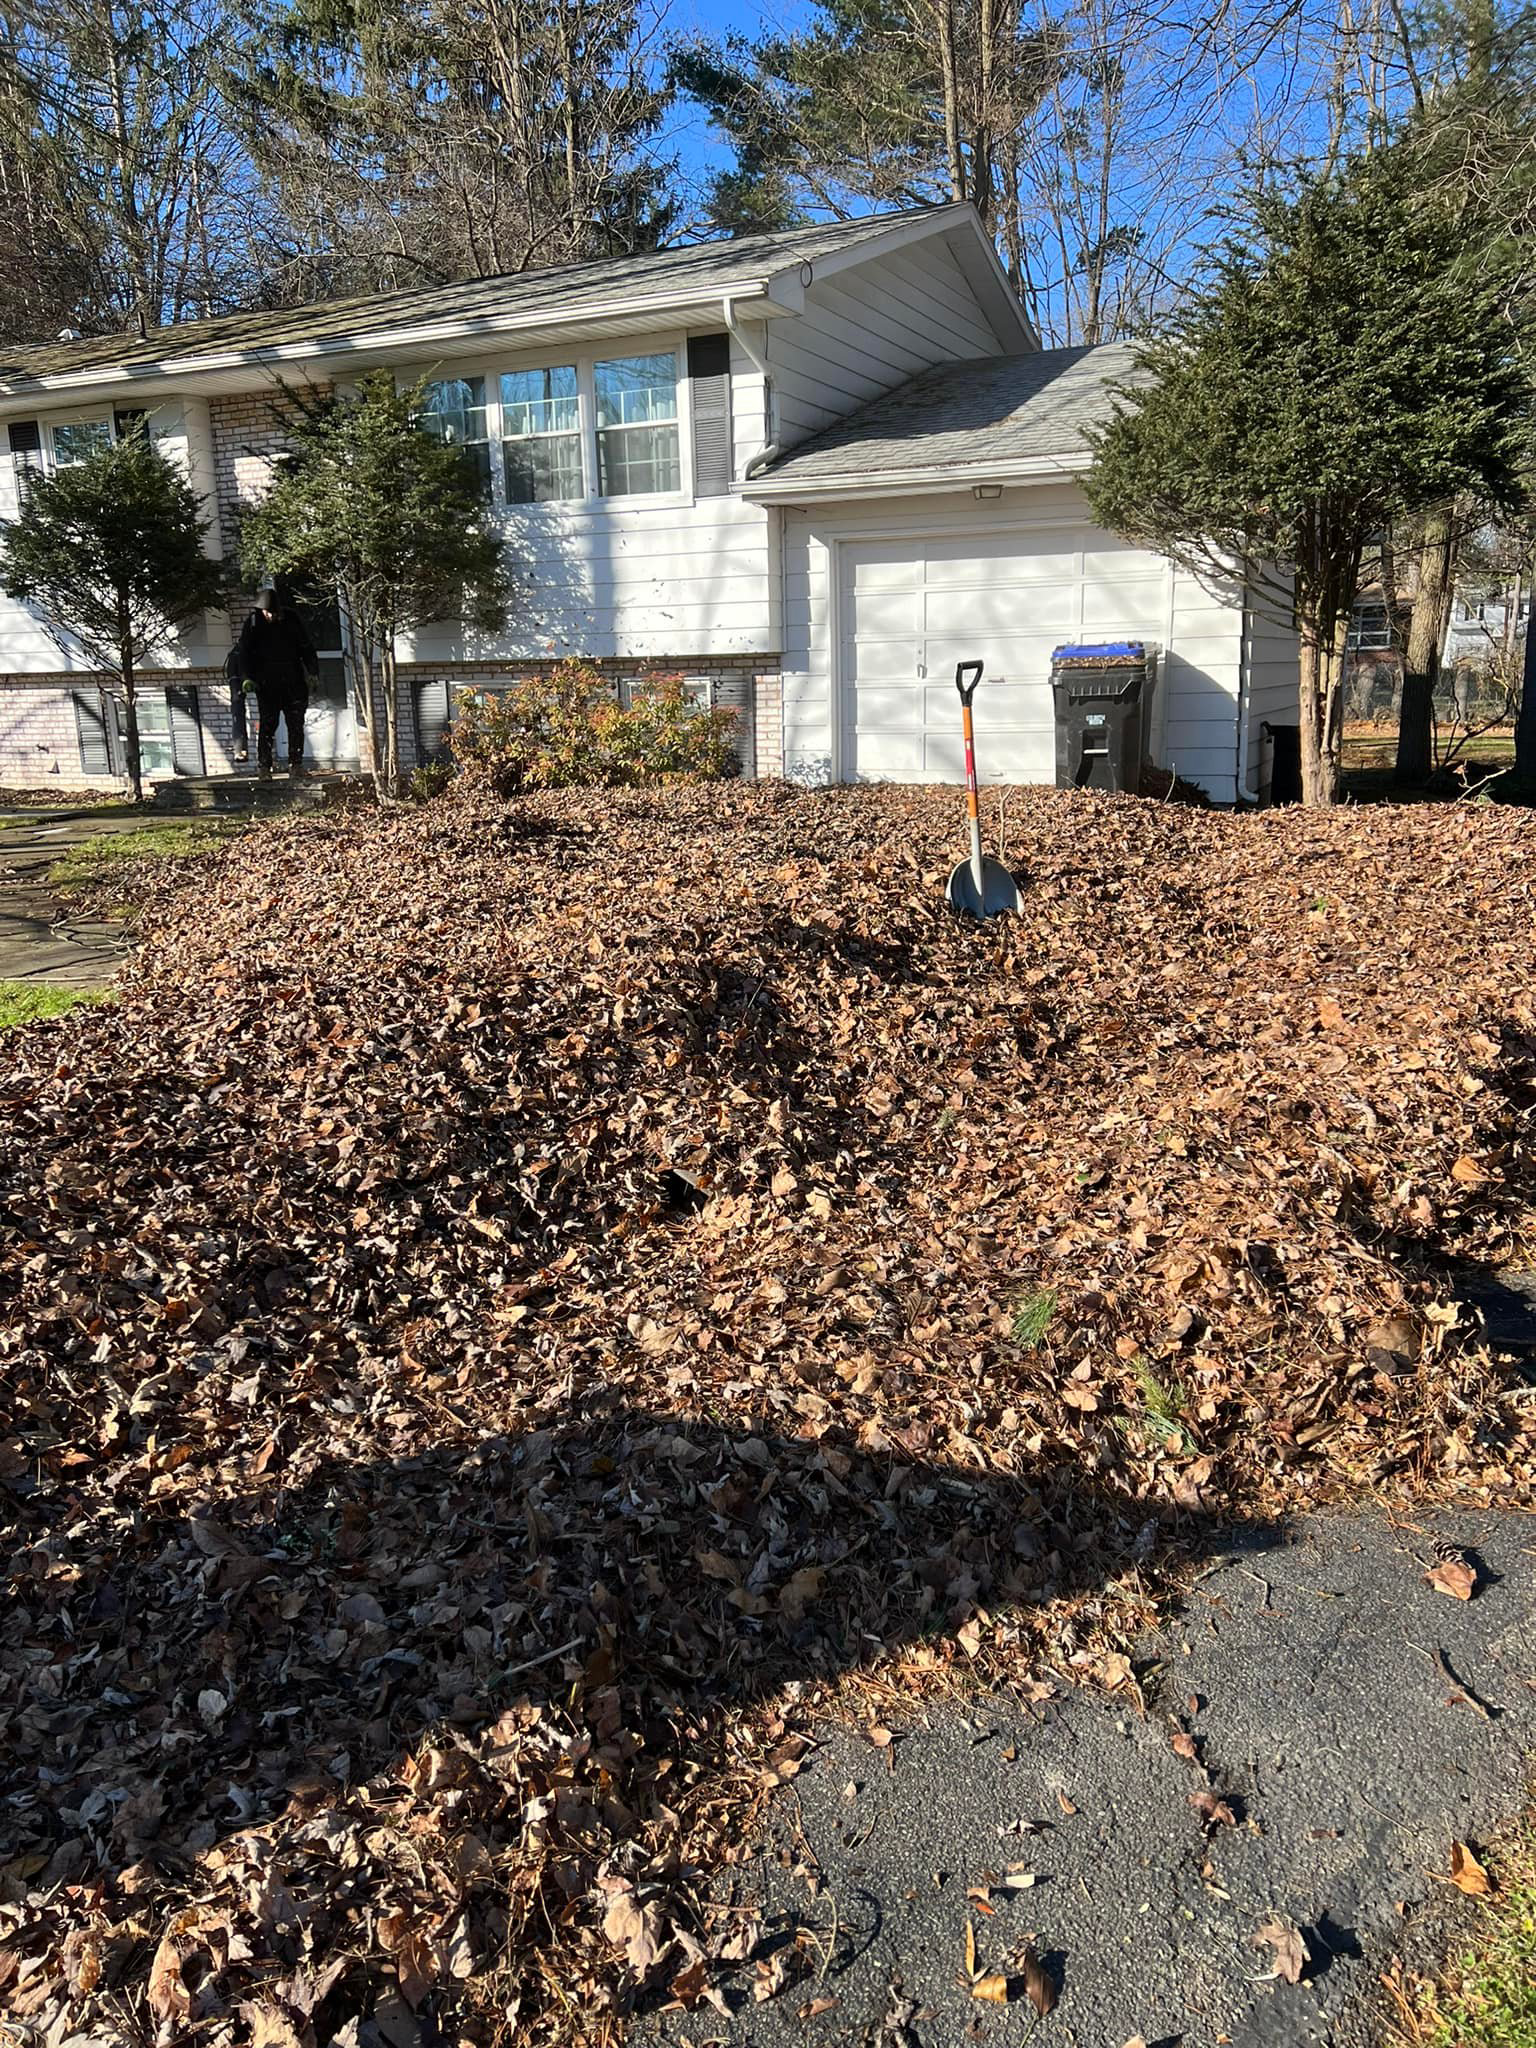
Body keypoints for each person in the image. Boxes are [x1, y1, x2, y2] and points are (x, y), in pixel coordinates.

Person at [236, 583, 318, 781]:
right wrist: (247, 677)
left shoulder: (292, 619)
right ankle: (264, 767)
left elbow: (306, 646)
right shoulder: (254, 622)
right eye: (267, 612)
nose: (271, 616)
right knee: (267, 725)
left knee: (296, 724)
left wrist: (313, 672)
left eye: (274, 612)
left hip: (293, 679)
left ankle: (295, 765)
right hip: (267, 682)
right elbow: (244, 652)